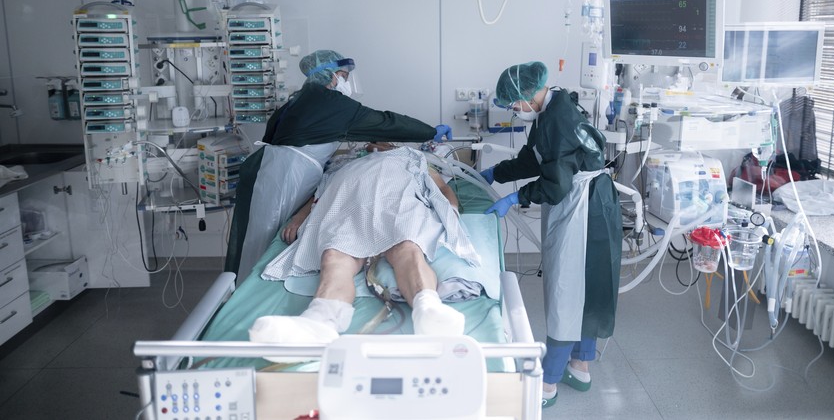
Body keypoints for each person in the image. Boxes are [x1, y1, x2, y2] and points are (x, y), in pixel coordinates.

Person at [225, 50, 453, 280]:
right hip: (288, 175)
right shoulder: (331, 103)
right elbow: (385, 122)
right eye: (344, 75)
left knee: (257, 236)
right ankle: (250, 283)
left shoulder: (300, 99)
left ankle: (242, 281)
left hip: (272, 169)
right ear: (330, 76)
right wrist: (430, 132)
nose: (346, 82)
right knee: (267, 237)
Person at [480, 61, 622, 408]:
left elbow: (555, 186)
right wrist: (497, 172)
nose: (515, 110)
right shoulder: (552, 107)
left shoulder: (558, 119)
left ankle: (548, 382)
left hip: (582, 205)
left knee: (566, 290)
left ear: (528, 95)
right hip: (588, 200)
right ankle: (580, 365)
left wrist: (517, 197)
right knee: (583, 287)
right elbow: (535, 158)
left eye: (514, 104)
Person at [250, 146, 479, 347]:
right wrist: (300, 217)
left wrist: (452, 211)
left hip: (397, 202)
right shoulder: (344, 163)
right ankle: (320, 321)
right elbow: (320, 195)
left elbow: (441, 188)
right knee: (333, 256)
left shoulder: (413, 156)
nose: (374, 144)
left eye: (382, 140)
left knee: (407, 247)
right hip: (348, 206)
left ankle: (427, 309)